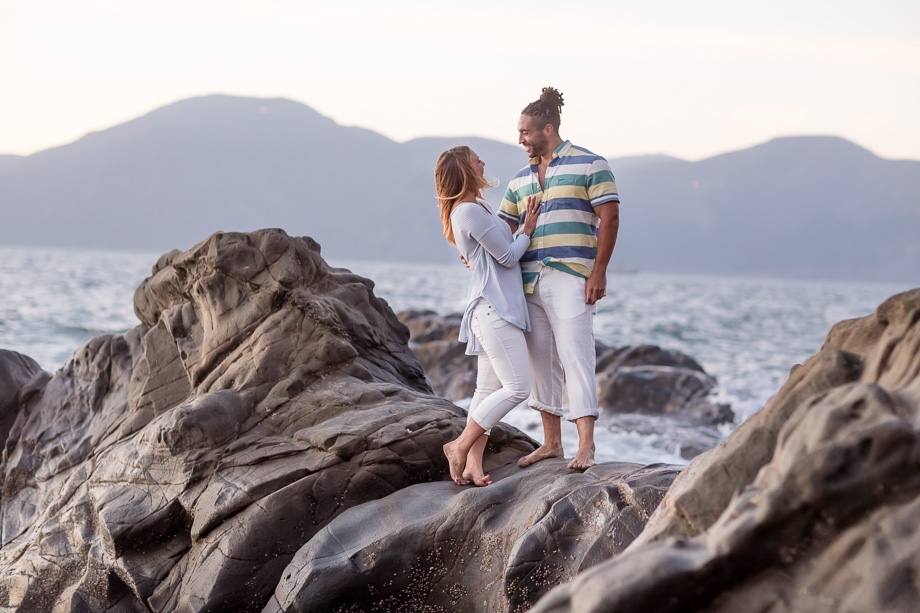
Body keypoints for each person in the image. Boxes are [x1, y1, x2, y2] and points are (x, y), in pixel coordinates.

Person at [497, 87, 621, 470]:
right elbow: (502, 227)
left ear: (547, 129)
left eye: (525, 132)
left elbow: (610, 218)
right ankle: (552, 443)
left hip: (571, 276)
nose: (520, 139)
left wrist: (598, 271)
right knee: (541, 363)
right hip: (528, 280)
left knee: (576, 358)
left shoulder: (590, 164)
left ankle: (586, 446)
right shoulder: (519, 179)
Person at [436, 145, 541, 486]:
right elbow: (509, 258)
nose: (483, 162)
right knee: (518, 388)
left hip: (492, 309)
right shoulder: (468, 211)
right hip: (494, 310)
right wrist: (527, 230)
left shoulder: (476, 207)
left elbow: (492, 253)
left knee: (485, 391)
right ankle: (460, 446)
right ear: (465, 170)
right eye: (476, 159)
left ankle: (472, 466)